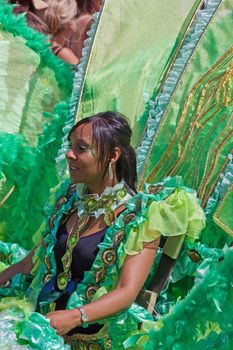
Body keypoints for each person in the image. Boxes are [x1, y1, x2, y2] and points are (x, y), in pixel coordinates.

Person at [0, 111, 205, 348]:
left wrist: (75, 316)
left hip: (92, 338)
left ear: (113, 155)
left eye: (81, 148)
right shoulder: (68, 196)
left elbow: (126, 292)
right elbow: (34, 260)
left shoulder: (140, 217)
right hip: (39, 320)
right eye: (70, 146)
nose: (69, 154)